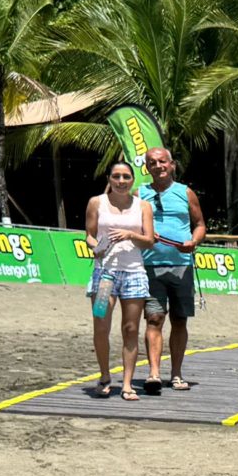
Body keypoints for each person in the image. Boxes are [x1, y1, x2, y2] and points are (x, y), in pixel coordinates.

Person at [138, 148, 207, 389]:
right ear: (147, 167)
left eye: (162, 161)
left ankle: (176, 374)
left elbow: (199, 225)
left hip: (181, 267)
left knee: (179, 319)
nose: (158, 166)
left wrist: (194, 241)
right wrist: (143, 234)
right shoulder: (140, 194)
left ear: (172, 165)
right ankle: (154, 374)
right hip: (150, 267)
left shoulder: (185, 193)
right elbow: (128, 225)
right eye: (152, 162)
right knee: (154, 318)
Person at [85, 159, 154, 400]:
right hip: (105, 274)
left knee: (131, 328)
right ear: (109, 179)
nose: (121, 181)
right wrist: (96, 247)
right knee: (101, 326)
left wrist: (130, 235)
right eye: (117, 176)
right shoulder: (97, 203)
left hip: (134, 272)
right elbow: (89, 235)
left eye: (126, 177)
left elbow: (149, 240)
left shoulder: (143, 206)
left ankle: (126, 384)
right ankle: (105, 376)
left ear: (133, 180)